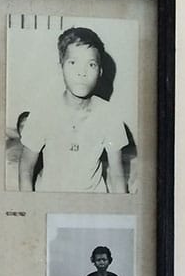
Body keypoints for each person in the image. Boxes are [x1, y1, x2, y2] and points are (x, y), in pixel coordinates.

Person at [19, 27, 129, 193]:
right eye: (73, 62)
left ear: (99, 72)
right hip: (50, 199)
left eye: (91, 64)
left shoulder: (109, 115)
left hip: (92, 204)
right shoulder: (43, 112)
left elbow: (117, 175)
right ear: (60, 67)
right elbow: (26, 168)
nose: (82, 72)